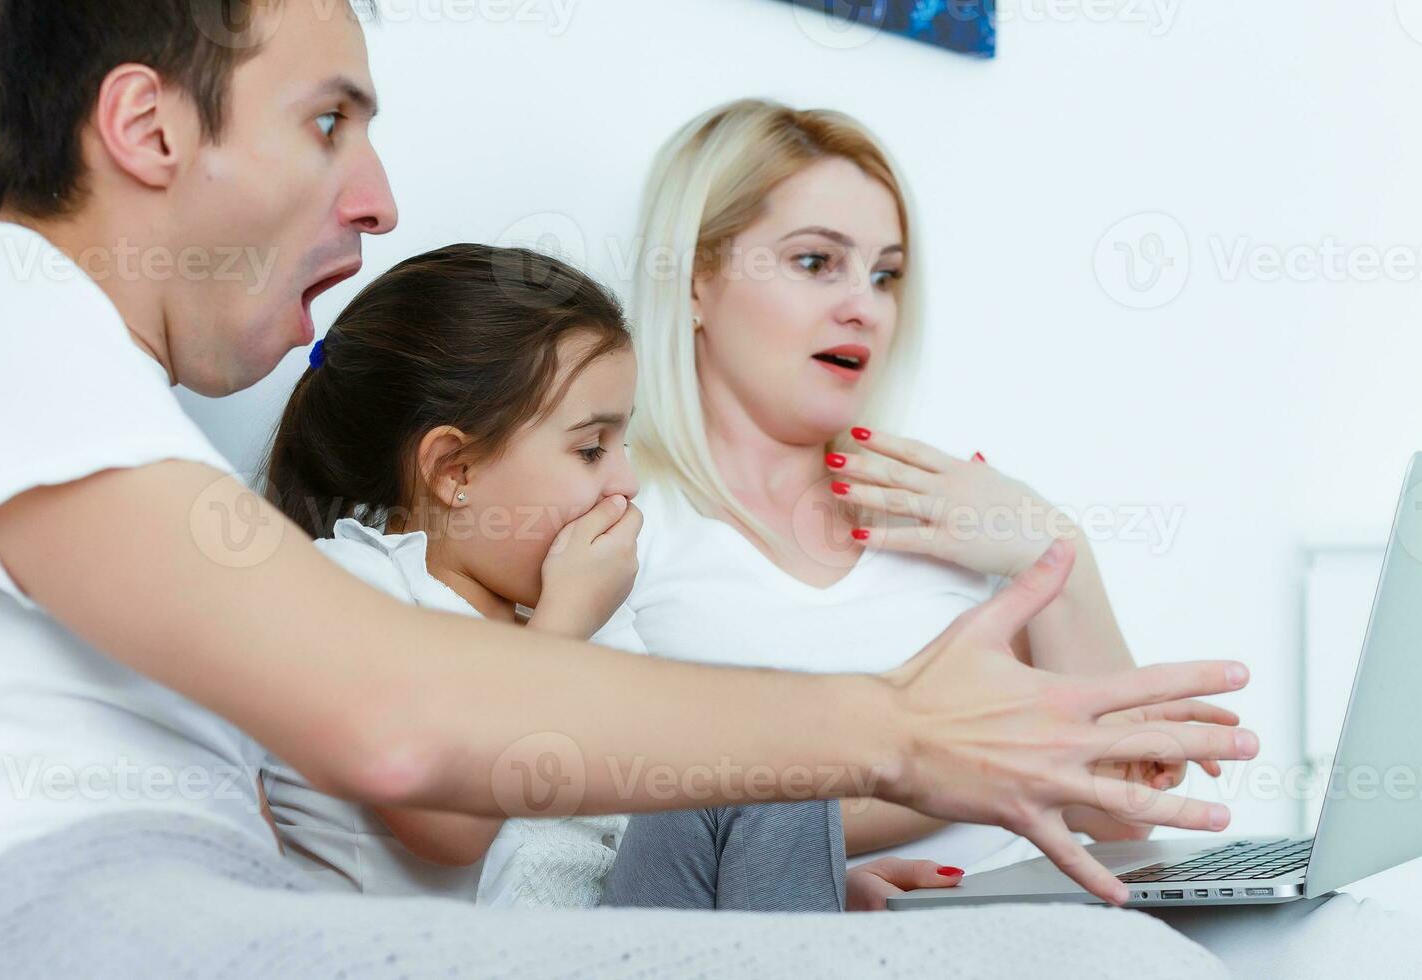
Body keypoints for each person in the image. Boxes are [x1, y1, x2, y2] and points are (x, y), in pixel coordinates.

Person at [0, 3, 1253, 977]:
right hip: (42, 921)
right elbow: (399, 722)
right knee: (1083, 961)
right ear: (151, 130)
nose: (377, 195)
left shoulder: (125, 446)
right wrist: (892, 732)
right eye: (326, 122)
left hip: (203, 910)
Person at [622, 98, 1239, 874]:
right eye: (816, 262)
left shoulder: (949, 508)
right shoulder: (622, 525)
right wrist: (957, 774)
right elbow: (628, 824)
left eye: (886, 276)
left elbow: (1111, 812)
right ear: (692, 282)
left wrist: (1055, 549)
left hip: (1040, 920)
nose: (864, 308)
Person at [253, 241, 964, 911]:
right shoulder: (352, 589)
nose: (624, 480)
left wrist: (785, 879)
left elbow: (646, 818)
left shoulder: (582, 618)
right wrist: (565, 629)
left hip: (595, 934)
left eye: (623, 442)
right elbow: (446, 830)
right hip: (458, 959)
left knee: (761, 761)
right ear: (455, 470)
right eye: (591, 448)